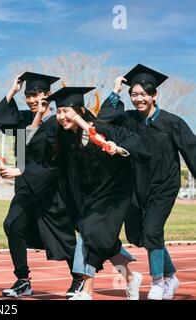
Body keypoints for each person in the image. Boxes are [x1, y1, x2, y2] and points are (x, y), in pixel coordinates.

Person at [99, 64, 196, 300]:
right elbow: (104, 120)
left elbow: (192, 151)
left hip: (164, 185)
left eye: (144, 94)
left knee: (153, 230)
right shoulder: (128, 119)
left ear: (154, 95)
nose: (138, 99)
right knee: (138, 235)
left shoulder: (173, 123)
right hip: (136, 185)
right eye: (134, 94)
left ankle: (158, 282)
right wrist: (115, 91)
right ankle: (171, 275)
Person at [47, 86, 149, 300]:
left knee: (90, 232)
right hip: (90, 197)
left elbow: (135, 143)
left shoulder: (104, 129)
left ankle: (86, 290)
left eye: (66, 111)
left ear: (80, 110)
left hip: (114, 193)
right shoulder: (67, 137)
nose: (62, 116)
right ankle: (130, 277)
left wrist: (118, 148)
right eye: (58, 112)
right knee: (103, 240)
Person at [0, 72, 82, 298]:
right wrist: (13, 90)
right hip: (25, 187)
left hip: (51, 187)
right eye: (28, 95)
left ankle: (79, 278)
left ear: (48, 95)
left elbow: (53, 163)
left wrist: (21, 170)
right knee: (13, 226)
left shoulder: (57, 123)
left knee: (61, 234)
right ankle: (23, 280)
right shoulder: (22, 119)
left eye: (36, 94)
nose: (31, 99)